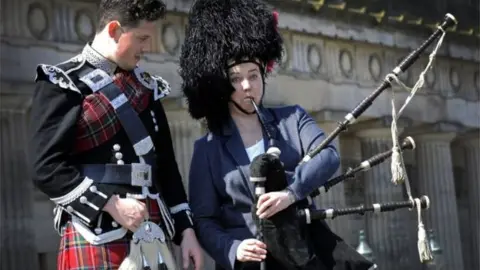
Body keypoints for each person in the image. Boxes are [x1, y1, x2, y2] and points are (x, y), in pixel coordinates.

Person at [178, 1, 376, 270]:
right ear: (222, 84)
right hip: (251, 261)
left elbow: (328, 155)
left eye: (253, 75)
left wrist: (292, 193)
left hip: (304, 254)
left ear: (263, 74)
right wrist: (233, 248)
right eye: (235, 79)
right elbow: (203, 219)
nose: (247, 86)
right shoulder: (207, 149)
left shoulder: (292, 119)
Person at [28, 0, 204, 269]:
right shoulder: (62, 82)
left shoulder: (147, 88)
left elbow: (166, 168)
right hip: (96, 232)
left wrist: (186, 231)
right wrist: (109, 204)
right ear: (114, 30)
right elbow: (46, 168)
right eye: (142, 38)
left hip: (152, 230)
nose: (146, 49)